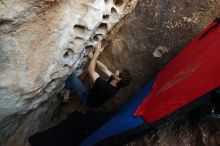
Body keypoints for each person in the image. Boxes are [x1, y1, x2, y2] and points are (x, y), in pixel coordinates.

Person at [64, 43, 132, 108]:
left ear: (118, 79)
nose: (117, 70)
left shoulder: (106, 88)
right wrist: (92, 58)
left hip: (87, 99)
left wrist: (96, 53)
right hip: (95, 98)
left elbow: (91, 70)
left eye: (119, 72)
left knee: (71, 76)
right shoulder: (117, 84)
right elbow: (104, 69)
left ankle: (66, 94)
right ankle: (68, 94)